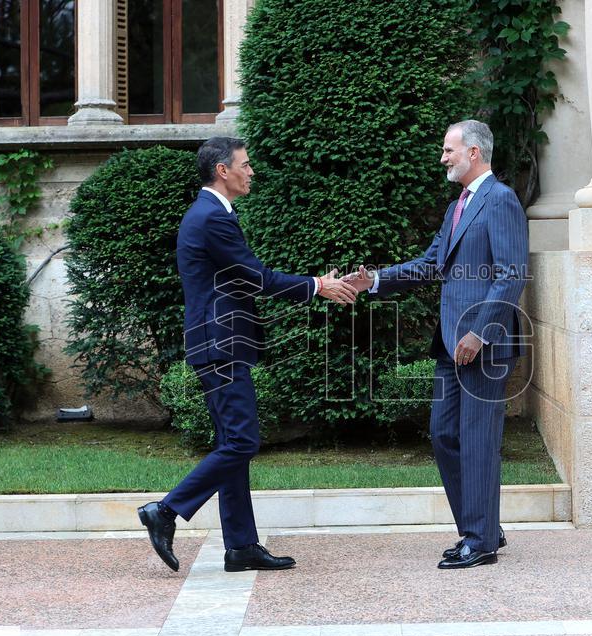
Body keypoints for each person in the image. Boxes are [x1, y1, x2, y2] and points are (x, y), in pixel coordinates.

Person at [138, 137, 357, 573]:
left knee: (232, 444)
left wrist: (316, 284)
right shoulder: (210, 217)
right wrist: (318, 285)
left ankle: (240, 547)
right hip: (219, 344)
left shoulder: (213, 214)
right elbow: (256, 278)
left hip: (219, 343)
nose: (251, 171)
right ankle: (165, 510)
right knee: (242, 442)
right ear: (223, 170)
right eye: (245, 164)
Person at [345, 120, 528, 569]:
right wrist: (375, 280)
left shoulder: (501, 199)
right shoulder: (456, 207)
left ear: (474, 153)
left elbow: (510, 274)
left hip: (483, 346)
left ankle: (480, 541)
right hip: (449, 345)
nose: (443, 157)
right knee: (445, 435)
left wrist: (479, 332)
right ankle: (483, 526)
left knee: (478, 441)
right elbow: (431, 264)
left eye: (449, 150)